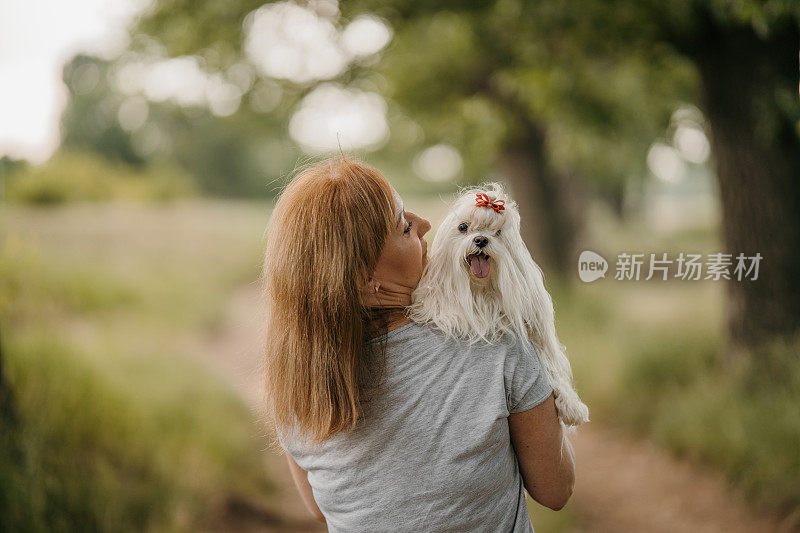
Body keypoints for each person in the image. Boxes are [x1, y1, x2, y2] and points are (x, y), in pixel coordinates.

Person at [262, 155, 575, 532]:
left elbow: (320, 507)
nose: (425, 223)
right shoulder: (496, 348)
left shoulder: (293, 384)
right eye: (403, 227)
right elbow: (556, 490)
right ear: (367, 278)